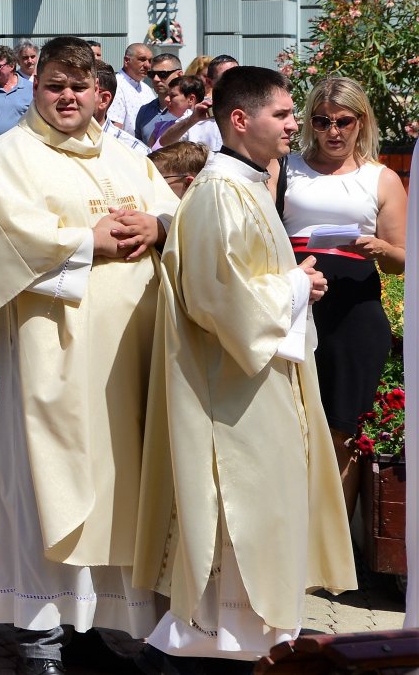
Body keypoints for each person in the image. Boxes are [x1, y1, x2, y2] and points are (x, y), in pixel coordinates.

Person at [0, 37, 177, 675]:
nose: (67, 97)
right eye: (55, 85)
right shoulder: (7, 158)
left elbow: (179, 215)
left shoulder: (129, 158)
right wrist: (82, 241)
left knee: (111, 490)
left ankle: (87, 628)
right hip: (43, 355)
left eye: (79, 86)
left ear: (99, 93)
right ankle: (39, 639)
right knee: (42, 490)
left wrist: (161, 228)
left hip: (122, 363)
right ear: (35, 89)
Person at [135, 65, 354, 669]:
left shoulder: (247, 185)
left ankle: (244, 643)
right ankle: (208, 648)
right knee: (239, 516)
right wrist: (293, 285)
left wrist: (291, 285)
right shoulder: (217, 193)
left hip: (255, 383)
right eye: (282, 115)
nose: (293, 125)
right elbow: (215, 296)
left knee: (264, 514)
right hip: (229, 393)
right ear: (240, 120)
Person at [282, 75, 407, 516]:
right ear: (310, 123)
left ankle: (335, 549)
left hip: (354, 309)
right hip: (295, 305)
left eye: (344, 121)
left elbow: (401, 260)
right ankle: (292, 539)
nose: (333, 132)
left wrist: (379, 247)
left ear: (361, 121)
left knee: (343, 429)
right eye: (322, 121)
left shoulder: (382, 178)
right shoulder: (286, 169)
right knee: (287, 428)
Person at [95, 63, 151, 156]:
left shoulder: (137, 153)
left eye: (78, 88)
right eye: (61, 87)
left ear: (104, 99)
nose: (67, 96)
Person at [155, 75, 215, 151]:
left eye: (173, 95)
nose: (167, 99)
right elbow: (162, 143)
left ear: (191, 99)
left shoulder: (208, 122)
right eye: (168, 95)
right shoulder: (162, 125)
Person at [107, 44, 158, 133]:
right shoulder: (116, 85)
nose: (147, 65)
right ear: (127, 61)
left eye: (150, 61)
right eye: (142, 59)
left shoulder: (146, 89)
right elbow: (114, 130)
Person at [136, 54, 184, 144]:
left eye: (163, 74)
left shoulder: (190, 110)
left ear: (179, 75)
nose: (156, 79)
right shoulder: (144, 111)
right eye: (152, 74)